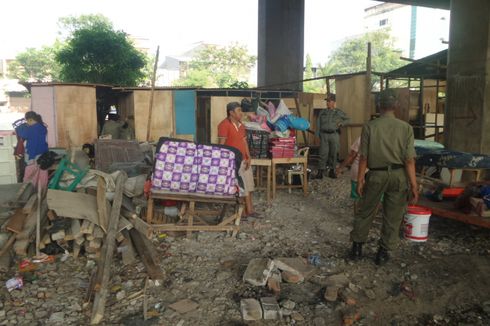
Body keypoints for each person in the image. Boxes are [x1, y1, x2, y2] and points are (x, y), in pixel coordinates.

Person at [349, 89, 418, 265]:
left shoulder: (370, 127)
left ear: (379, 105)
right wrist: (414, 185)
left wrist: (360, 179)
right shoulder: (406, 128)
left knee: (366, 211)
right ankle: (382, 252)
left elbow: (363, 156)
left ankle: (357, 248)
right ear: (395, 106)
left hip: (376, 175)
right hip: (399, 176)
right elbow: (409, 160)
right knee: (393, 215)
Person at [218, 102, 258, 218]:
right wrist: (223, 162)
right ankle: (243, 213)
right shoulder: (224, 125)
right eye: (239, 110)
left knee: (249, 186)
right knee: (241, 188)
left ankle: (250, 210)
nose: (241, 113)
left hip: (244, 159)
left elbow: (244, 142)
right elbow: (221, 145)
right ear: (231, 113)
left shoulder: (241, 125)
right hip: (233, 161)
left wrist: (249, 156)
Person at [315, 93, 349, 179]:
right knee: (322, 153)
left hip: (334, 135)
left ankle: (332, 171)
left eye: (329, 101)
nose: (327, 103)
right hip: (324, 135)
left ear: (334, 102)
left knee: (334, 153)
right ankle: (320, 172)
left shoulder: (338, 112)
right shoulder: (322, 112)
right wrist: (317, 134)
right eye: (327, 101)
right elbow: (318, 123)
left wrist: (342, 123)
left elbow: (348, 119)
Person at [15, 111, 49, 189]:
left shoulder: (32, 129)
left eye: (27, 121)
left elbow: (32, 143)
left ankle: (27, 190)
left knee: (29, 175)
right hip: (43, 155)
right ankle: (43, 190)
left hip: (34, 155)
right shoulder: (42, 127)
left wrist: (31, 158)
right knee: (42, 174)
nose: (27, 122)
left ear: (30, 119)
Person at [336, 136, 362, 213]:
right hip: (376, 171)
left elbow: (352, 154)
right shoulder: (383, 138)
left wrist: (341, 167)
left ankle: (358, 218)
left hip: (358, 170)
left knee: (358, 196)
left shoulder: (362, 138)